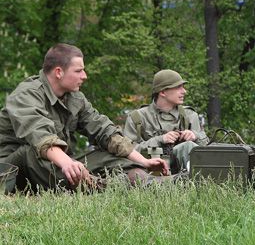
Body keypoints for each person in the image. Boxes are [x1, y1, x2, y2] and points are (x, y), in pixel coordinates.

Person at [0, 44, 168, 192]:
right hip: (12, 169)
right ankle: (109, 186)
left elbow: (104, 131)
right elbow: (40, 137)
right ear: (59, 72)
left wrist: (144, 161)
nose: (85, 76)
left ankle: (147, 180)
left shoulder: (74, 97)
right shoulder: (26, 94)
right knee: (30, 153)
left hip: (54, 164)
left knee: (112, 157)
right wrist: (68, 164)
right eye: (78, 71)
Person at [123, 69, 209, 174]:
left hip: (187, 179)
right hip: (150, 178)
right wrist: (160, 140)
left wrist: (194, 136)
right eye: (178, 87)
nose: (184, 91)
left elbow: (206, 151)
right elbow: (127, 151)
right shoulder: (137, 118)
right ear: (163, 92)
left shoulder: (189, 116)